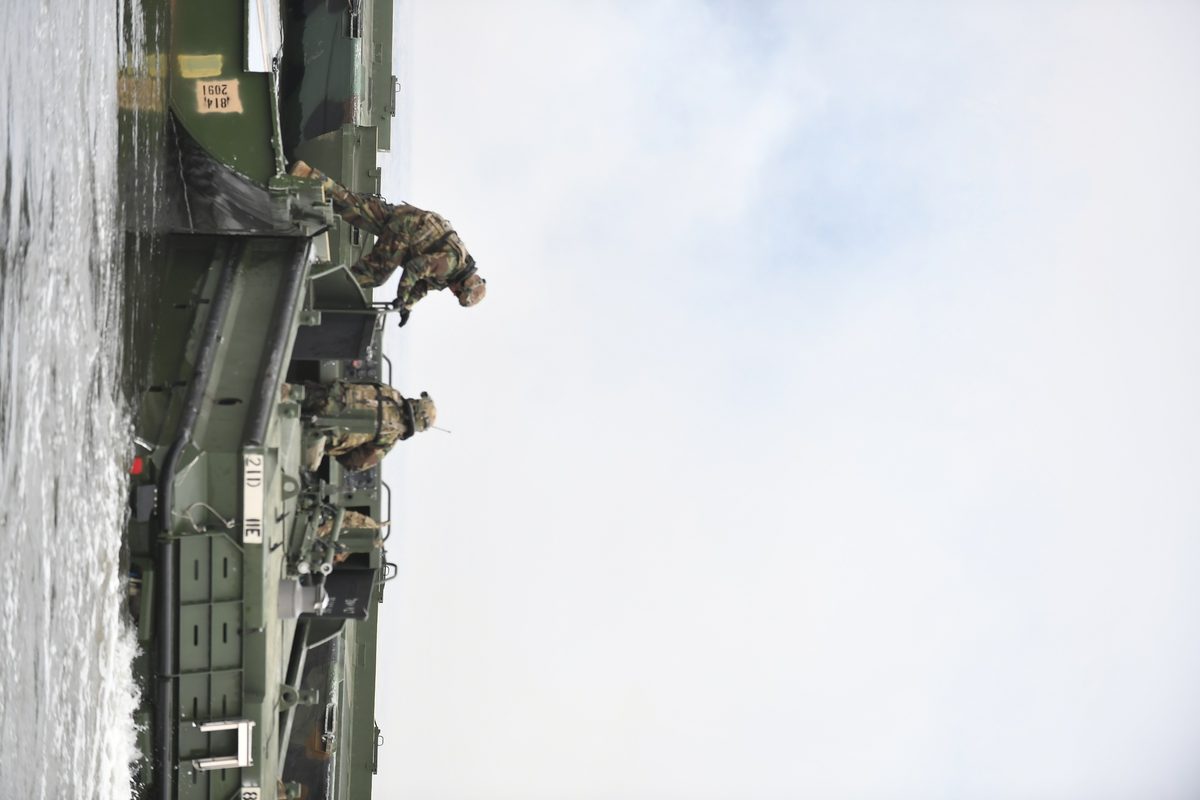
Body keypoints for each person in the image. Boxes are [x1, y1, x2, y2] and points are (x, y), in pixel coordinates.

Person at [289, 160, 485, 325]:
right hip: (403, 231)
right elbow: (414, 269)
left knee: (354, 209)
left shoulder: (452, 271)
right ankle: (315, 284)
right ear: (463, 284)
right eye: (458, 293)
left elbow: (422, 286)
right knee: (374, 275)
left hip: (404, 223)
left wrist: (407, 306)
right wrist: (401, 296)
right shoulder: (449, 265)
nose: (453, 293)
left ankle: (306, 176)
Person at [298, 380, 437, 471]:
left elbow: (356, 382)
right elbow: (355, 463)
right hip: (320, 435)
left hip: (316, 397)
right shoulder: (388, 439)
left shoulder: (389, 391)